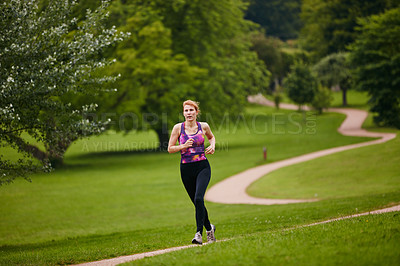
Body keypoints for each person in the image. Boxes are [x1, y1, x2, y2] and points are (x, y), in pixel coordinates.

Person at [168, 100, 216, 245]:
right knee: (197, 203)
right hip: (186, 169)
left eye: (191, 110)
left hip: (202, 167)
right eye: (186, 111)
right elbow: (170, 148)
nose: (189, 113)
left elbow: (211, 137)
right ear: (183, 113)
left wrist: (212, 145)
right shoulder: (178, 128)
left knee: (199, 199)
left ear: (196, 112)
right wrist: (182, 146)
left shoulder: (204, 126)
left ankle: (198, 234)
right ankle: (209, 228)